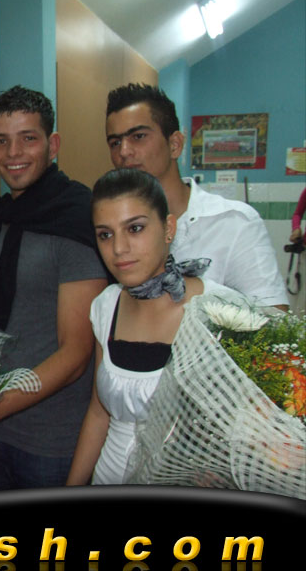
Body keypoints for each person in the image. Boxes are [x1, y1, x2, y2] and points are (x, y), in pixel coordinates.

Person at [0, 85, 108, 489]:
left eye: (28, 138)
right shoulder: (2, 216)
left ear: (53, 144)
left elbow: (75, 354)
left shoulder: (75, 218)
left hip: (51, 441)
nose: (14, 153)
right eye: (1, 141)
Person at [65, 168, 240, 486]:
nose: (119, 248)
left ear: (168, 228)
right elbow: (99, 413)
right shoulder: (105, 306)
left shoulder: (220, 311)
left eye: (135, 228)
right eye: (105, 234)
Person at [105, 83, 288, 310]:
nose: (124, 151)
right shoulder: (110, 232)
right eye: (115, 142)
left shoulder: (234, 223)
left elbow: (274, 318)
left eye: (138, 136)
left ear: (175, 144)